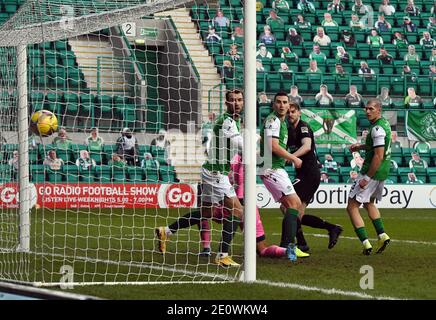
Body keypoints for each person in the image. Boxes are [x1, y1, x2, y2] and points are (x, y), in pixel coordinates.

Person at [156, 90, 245, 267]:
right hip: (216, 174)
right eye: (233, 100)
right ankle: (222, 254)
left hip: (210, 170)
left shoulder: (231, 120)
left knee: (206, 214)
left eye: (240, 100)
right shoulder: (227, 121)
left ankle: (166, 231)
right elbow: (240, 145)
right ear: (226, 103)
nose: (237, 103)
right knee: (237, 211)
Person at [198, 153, 308, 258]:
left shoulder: (227, 160)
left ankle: (213, 250)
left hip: (230, 203)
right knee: (262, 249)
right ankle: (288, 249)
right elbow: (241, 181)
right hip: (243, 204)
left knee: (205, 214)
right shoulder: (241, 159)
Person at [286, 102, 343, 252]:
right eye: (288, 112)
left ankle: (302, 243)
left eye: (293, 111)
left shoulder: (303, 127)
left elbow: (307, 146)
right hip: (305, 174)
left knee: (286, 206)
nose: (290, 114)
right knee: (298, 213)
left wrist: (290, 157)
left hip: (309, 173)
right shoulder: (290, 131)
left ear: (299, 113)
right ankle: (332, 228)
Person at [259, 92, 303, 261]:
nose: (282, 105)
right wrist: (293, 158)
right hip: (271, 168)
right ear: (273, 104)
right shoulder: (274, 121)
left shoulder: (280, 122)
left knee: (293, 204)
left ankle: (286, 246)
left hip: (274, 167)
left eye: (285, 102)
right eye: (278, 102)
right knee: (294, 203)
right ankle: (288, 246)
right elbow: (273, 147)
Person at [347, 99, 391, 255]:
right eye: (366, 109)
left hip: (372, 171)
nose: (367, 111)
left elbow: (378, 156)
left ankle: (365, 243)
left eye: (371, 108)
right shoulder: (383, 124)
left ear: (379, 110)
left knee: (352, 206)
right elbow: (378, 147)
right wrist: (360, 146)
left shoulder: (377, 129)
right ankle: (382, 235)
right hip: (383, 172)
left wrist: (367, 177)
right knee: (369, 203)